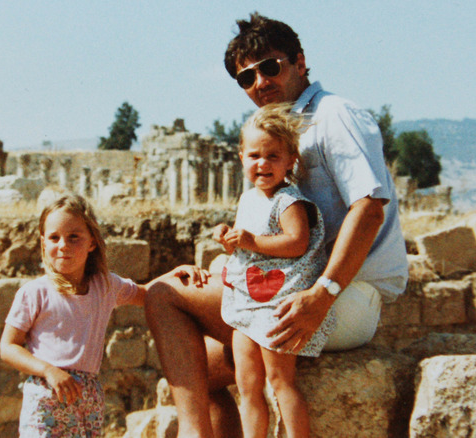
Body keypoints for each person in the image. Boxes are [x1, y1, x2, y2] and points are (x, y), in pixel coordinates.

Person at [145, 12, 409, 438]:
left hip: (344, 295)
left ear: (300, 62)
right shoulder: (280, 135)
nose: (260, 83)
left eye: (270, 67)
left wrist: (323, 295)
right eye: (246, 78)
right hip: (298, 286)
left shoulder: (334, 115)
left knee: (162, 294)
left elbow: (369, 208)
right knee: (200, 369)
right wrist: (217, 269)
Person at [0, 194, 208, 437]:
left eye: (74, 237)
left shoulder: (105, 286)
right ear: (43, 242)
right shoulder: (34, 292)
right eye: (54, 237)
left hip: (87, 397)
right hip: (46, 394)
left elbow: (147, 294)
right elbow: (8, 347)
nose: (63, 245)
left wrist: (174, 274)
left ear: (92, 242)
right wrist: (48, 370)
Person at [213, 103, 331, 437]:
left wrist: (252, 240)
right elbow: (245, 249)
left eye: (273, 156)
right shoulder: (248, 199)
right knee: (247, 384)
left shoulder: (289, 201)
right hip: (248, 301)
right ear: (241, 157)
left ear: (291, 159)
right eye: (254, 156)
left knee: (281, 380)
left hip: (277, 303)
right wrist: (229, 237)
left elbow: (297, 242)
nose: (262, 164)